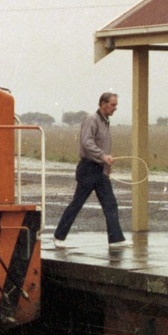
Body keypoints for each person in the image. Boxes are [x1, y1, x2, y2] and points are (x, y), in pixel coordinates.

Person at [53, 92, 128, 249]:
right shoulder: (91, 120)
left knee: (110, 204)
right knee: (77, 203)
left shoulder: (105, 121)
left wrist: (106, 165)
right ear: (103, 103)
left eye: (116, 105)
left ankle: (116, 240)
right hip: (88, 169)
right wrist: (103, 156)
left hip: (100, 170)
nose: (115, 108)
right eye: (113, 104)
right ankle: (59, 236)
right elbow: (86, 142)